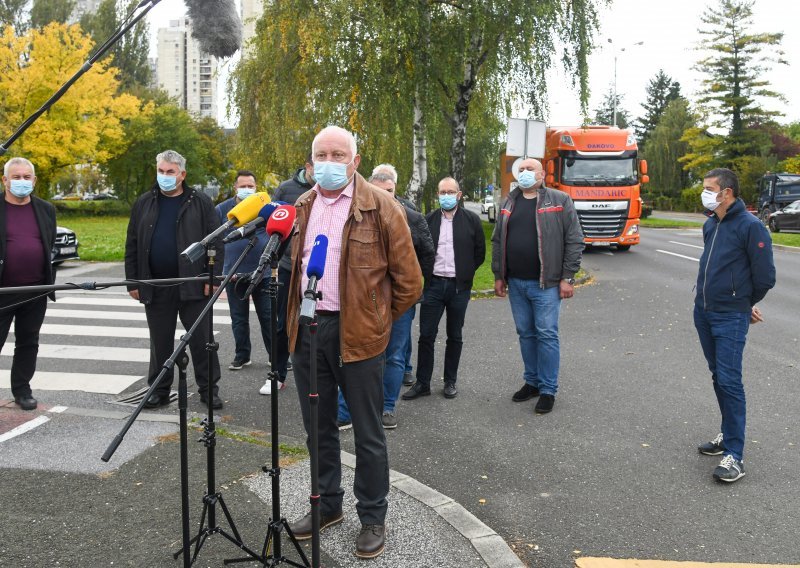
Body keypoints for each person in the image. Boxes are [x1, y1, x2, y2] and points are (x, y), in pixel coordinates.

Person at [286, 126, 421, 559]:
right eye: (321, 154)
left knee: (367, 432)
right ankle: (327, 505)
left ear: (355, 161)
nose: (329, 162)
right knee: (318, 428)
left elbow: (410, 282)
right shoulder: (302, 206)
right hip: (309, 332)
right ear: (311, 162)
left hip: (360, 336)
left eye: (338, 154)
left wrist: (377, 321)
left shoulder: (382, 207)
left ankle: (372, 517)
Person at [124, 150, 225, 410]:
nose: (165, 176)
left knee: (202, 341)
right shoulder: (144, 202)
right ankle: (158, 390)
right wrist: (133, 282)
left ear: (182, 175)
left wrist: (212, 279)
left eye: (171, 172)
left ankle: (208, 389)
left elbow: (216, 241)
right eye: (161, 171)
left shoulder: (200, 202)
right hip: (155, 286)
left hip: (193, 284)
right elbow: (132, 243)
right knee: (160, 342)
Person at [337, 163, 434, 429]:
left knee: (394, 355)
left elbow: (426, 258)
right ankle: (345, 410)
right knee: (353, 353)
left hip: (399, 302)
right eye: (379, 190)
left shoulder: (411, 216)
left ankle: (387, 407)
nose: (385, 196)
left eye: (389, 190)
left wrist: (404, 298)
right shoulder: (355, 213)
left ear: (395, 189)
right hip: (362, 300)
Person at [694, 167, 775, 483]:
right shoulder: (711, 223)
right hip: (703, 312)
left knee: (729, 380)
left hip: (729, 316)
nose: (705, 193)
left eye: (709, 188)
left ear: (726, 192)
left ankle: (735, 456)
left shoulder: (751, 227)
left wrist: (743, 304)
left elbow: (765, 277)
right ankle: (727, 435)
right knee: (718, 375)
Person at [491, 158, 583, 414]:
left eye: (530, 169)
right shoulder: (509, 201)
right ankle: (531, 381)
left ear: (542, 173)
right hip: (516, 283)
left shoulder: (558, 200)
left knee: (547, 334)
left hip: (547, 284)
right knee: (526, 334)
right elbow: (498, 240)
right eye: (521, 169)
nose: (525, 173)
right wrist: (499, 275)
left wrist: (567, 277)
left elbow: (575, 240)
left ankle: (548, 389)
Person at [402, 177, 485, 401]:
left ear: (459, 195)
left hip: (459, 287)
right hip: (434, 285)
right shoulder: (427, 220)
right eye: (442, 192)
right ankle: (423, 383)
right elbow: (418, 251)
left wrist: (465, 272)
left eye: (450, 192)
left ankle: (450, 381)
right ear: (437, 194)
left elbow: (479, 253)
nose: (446, 196)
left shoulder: (471, 220)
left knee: (454, 335)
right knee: (426, 335)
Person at [0, 157, 56, 411]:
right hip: (3, 291)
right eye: (16, 177)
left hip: (35, 290)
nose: (21, 182)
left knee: (28, 341)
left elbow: (49, 243)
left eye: (26, 177)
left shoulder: (46, 210)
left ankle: (22, 390)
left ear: (34, 180)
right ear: (5, 180)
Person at [215, 171, 273, 389]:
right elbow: (217, 237)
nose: (247, 189)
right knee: (238, 318)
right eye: (243, 185)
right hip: (234, 274)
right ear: (235, 187)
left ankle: (274, 357)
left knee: (268, 317)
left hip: (262, 272)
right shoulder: (223, 209)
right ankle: (242, 355)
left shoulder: (265, 208)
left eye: (251, 185)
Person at [269, 155, 315, 394]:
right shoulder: (287, 189)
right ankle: (277, 374)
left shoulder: (334, 190)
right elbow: (274, 222)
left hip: (320, 267)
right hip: (289, 265)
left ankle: (319, 376)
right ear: (308, 167)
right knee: (282, 323)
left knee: (320, 323)